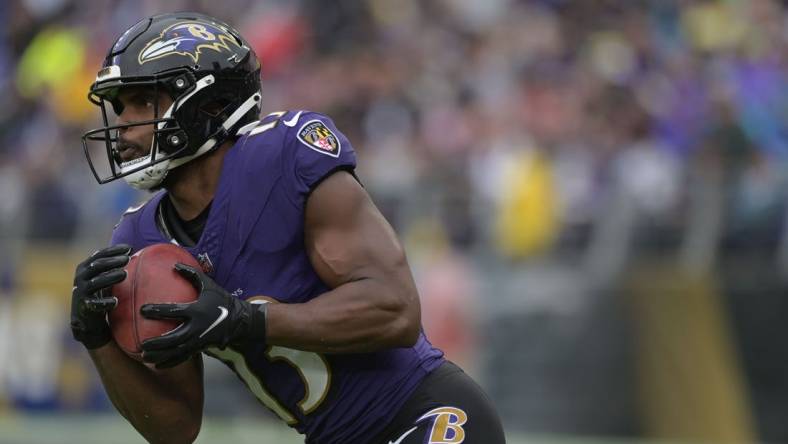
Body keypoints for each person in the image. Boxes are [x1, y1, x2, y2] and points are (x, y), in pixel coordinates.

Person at [71, 12, 505, 444]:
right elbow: (176, 428)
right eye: (120, 106)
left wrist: (245, 320)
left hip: (421, 412)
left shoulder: (283, 156)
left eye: (143, 101)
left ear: (211, 105)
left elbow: (396, 310)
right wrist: (97, 339)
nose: (124, 124)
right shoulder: (139, 242)